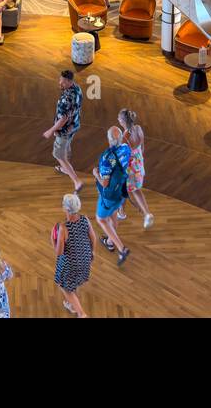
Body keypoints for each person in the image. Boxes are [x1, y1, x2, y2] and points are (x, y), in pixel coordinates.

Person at [93, 126, 132, 265]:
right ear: (120, 138)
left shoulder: (106, 157)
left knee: (101, 219)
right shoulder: (126, 149)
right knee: (114, 214)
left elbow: (104, 183)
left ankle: (121, 248)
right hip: (121, 190)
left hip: (108, 195)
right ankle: (109, 242)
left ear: (109, 140)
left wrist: (96, 174)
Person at [53, 192, 97, 316]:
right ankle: (72, 304)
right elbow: (93, 238)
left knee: (64, 286)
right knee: (75, 281)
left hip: (71, 264)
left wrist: (53, 240)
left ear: (66, 208)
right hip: (85, 259)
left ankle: (81, 313)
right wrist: (92, 252)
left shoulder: (63, 227)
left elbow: (59, 252)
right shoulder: (85, 219)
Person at [44, 68, 83, 192]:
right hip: (74, 125)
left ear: (68, 81)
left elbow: (62, 120)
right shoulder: (77, 88)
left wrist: (51, 130)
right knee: (66, 147)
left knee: (58, 154)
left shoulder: (66, 99)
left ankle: (77, 181)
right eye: (60, 80)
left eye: (62, 81)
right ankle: (66, 168)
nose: (59, 83)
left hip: (64, 130)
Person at [118, 108, 154, 229]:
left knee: (124, 190)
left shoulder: (124, 137)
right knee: (136, 190)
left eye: (119, 118)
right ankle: (146, 213)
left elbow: (123, 157)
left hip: (130, 168)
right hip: (139, 164)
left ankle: (122, 213)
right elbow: (142, 148)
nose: (118, 120)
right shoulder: (138, 129)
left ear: (123, 121)